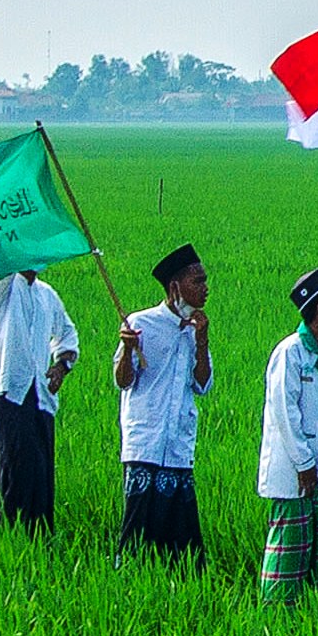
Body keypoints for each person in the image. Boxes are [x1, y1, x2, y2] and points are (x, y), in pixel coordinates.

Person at [112, 242, 214, 566]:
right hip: (146, 442)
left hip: (178, 444)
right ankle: (128, 581)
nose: (205, 288)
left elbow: (202, 384)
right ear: (175, 286)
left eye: (204, 280)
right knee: (137, 531)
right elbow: (123, 381)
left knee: (182, 540)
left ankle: (182, 587)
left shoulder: (195, 329)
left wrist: (202, 341)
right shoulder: (141, 324)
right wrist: (127, 350)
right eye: (197, 281)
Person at [257, 267, 318, 604]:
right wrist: (303, 462)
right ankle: (275, 612)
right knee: (289, 548)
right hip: (295, 470)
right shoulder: (290, 353)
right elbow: (284, 414)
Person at [0, 267, 80, 531]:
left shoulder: (47, 295)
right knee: (17, 473)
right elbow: (5, 257)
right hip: (8, 392)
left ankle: (41, 540)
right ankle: (14, 540)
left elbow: (68, 335)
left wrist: (61, 366)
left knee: (42, 476)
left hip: (41, 397)